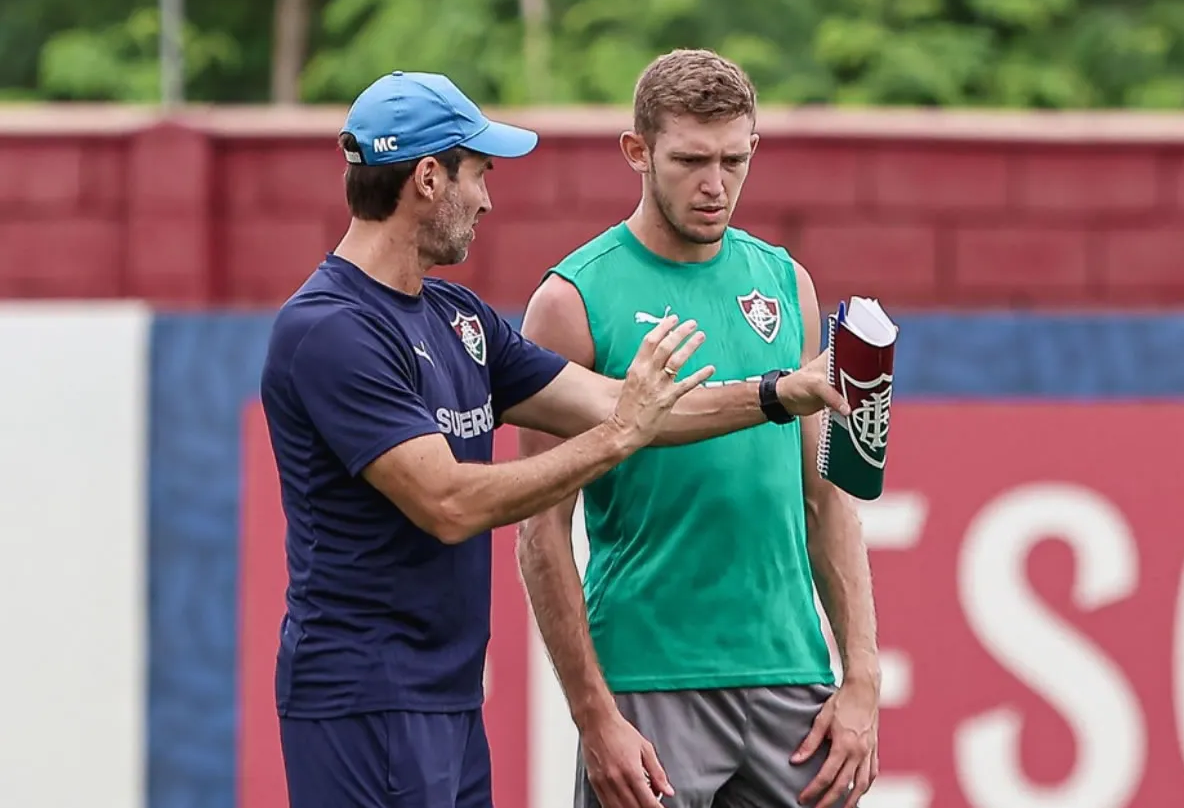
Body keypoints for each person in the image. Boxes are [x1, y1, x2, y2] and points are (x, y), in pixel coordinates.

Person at [258, 69, 849, 808]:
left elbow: (627, 406)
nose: (487, 199)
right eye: (479, 174)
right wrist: (612, 440)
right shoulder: (328, 330)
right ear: (429, 178)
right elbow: (447, 500)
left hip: (447, 694)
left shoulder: (456, 317)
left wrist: (778, 394)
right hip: (360, 696)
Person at [516, 49, 882, 808]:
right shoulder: (571, 300)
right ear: (637, 151)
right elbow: (540, 533)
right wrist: (594, 716)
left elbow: (827, 499)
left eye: (733, 159)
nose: (715, 186)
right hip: (649, 683)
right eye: (689, 160)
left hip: (793, 682)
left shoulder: (786, 281)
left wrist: (861, 681)